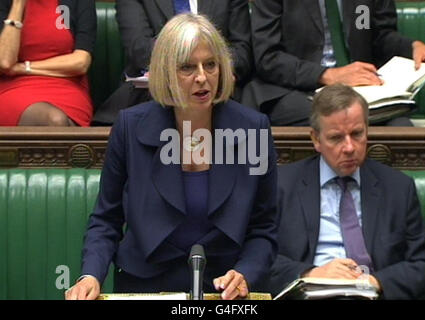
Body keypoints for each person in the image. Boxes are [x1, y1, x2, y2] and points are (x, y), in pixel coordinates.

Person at [65, 13, 278, 300]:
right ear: (166, 72)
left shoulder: (253, 129)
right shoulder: (130, 127)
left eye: (211, 64)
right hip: (146, 285)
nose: (202, 77)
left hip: (224, 290)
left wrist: (246, 273)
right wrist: (90, 275)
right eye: (187, 67)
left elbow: (264, 227)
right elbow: (107, 219)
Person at [269, 84, 425, 299]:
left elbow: (422, 263)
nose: (350, 147)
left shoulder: (398, 188)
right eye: (336, 137)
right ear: (316, 139)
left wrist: (376, 281)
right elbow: (259, 257)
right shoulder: (282, 185)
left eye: (357, 134)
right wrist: (310, 274)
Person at [246, 0, 425, 126]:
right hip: (297, 89)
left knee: (401, 129)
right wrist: (328, 75)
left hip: (362, 88)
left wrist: (412, 47)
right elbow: (268, 57)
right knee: (337, 118)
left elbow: (379, 36)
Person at [92, 0, 253, 125]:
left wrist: (216, 67)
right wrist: (181, 66)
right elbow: (139, 49)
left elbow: (242, 51)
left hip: (217, 91)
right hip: (150, 92)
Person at [0, 0, 96, 126]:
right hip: (13, 89)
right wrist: (18, 4)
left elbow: (80, 62)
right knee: (55, 120)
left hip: (68, 88)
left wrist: (23, 68)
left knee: (56, 122)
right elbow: (5, 62)